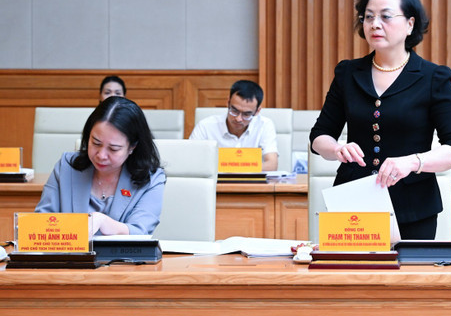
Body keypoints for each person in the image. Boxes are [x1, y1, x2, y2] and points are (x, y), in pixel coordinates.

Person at [310, 0, 451, 240]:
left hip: (413, 205)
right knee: (350, 278)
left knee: (409, 280)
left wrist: (413, 162)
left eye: (385, 16)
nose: (374, 24)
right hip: (353, 200)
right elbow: (319, 136)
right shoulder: (347, 73)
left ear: (410, 24)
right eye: (368, 17)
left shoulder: (433, 78)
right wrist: (337, 148)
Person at [35, 96, 166, 235]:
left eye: (113, 149)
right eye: (96, 143)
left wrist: (103, 222)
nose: (101, 155)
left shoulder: (151, 179)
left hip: (122, 257)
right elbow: (40, 222)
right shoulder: (67, 166)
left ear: (132, 147)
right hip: (70, 256)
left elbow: (140, 231)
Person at [189, 80, 278, 171]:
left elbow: (272, 165)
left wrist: (230, 167)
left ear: (257, 111)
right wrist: (246, 167)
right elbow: (190, 161)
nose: (238, 119)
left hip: (252, 183)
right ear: (228, 103)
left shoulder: (264, 125)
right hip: (215, 184)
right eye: (234, 111)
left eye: (246, 114)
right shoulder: (205, 126)